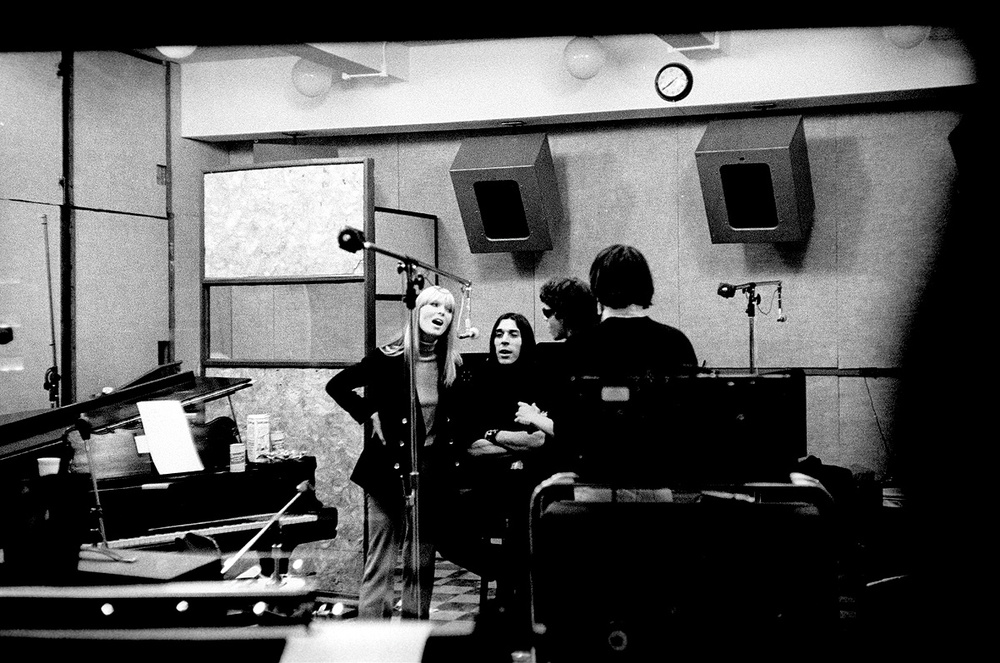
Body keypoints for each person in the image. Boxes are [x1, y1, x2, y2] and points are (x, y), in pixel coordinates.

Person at [325, 284, 463, 620]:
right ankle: (373, 633)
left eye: (448, 309)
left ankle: (414, 630)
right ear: (417, 311)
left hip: (429, 472)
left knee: (421, 560)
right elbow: (337, 385)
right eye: (433, 305)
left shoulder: (452, 364)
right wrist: (368, 412)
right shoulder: (387, 357)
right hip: (386, 470)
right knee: (381, 558)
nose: (441, 313)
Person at [555, 244, 699, 487]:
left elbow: (565, 427)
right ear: (646, 285)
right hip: (657, 479)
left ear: (597, 287)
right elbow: (689, 420)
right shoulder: (675, 342)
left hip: (595, 479)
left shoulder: (577, 347)